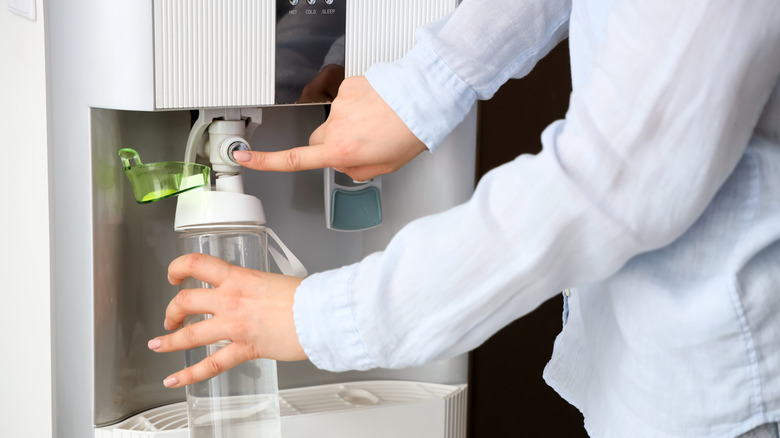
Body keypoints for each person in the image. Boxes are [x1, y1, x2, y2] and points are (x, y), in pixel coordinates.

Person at [146, 0, 780, 436]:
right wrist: (427, 83)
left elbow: (614, 180)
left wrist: (314, 316)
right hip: (644, 343)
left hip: (727, 369)